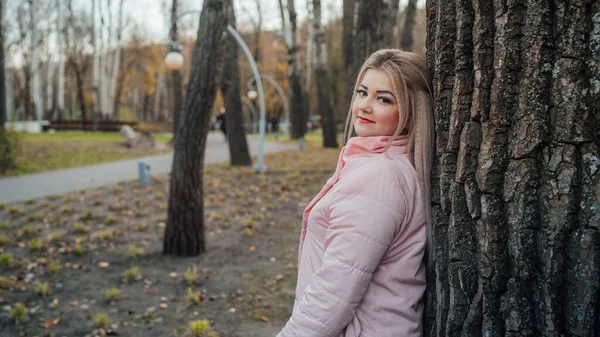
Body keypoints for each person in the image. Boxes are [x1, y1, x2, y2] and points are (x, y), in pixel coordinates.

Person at [277, 49, 434, 337]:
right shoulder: (386, 165)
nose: (364, 106)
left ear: (411, 114)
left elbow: (333, 294)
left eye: (383, 98)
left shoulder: (378, 179)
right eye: (362, 92)